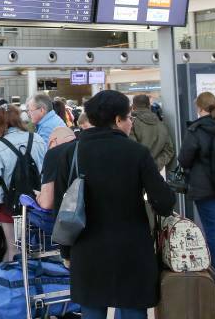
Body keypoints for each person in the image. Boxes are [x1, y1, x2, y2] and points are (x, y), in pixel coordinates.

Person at [69, 90, 175, 319]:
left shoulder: (73, 152)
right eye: (129, 117)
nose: (131, 122)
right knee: (132, 310)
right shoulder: (136, 153)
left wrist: (66, 251)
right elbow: (164, 203)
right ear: (117, 120)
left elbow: (63, 204)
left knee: (92, 311)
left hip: (86, 249)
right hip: (131, 249)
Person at [178, 92, 215, 287]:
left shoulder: (196, 130)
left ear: (200, 108)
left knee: (212, 229)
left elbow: (184, 159)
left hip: (205, 187)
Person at [0, 104, 47, 261]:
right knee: (36, 245)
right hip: (37, 201)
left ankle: (14, 282)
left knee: (14, 247)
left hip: (9, 203)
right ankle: (34, 280)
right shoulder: (37, 138)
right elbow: (45, 168)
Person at [36, 126, 78, 211]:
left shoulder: (54, 153)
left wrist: (39, 196)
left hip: (70, 219)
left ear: (53, 142)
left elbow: (46, 203)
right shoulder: (86, 146)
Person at [129, 94, 174, 172]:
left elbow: (131, 150)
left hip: (134, 173)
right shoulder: (161, 124)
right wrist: (154, 166)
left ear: (133, 107)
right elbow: (169, 150)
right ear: (149, 106)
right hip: (153, 174)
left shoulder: (130, 124)